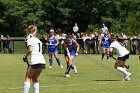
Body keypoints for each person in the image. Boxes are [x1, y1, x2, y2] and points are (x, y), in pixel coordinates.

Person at [23, 25, 46, 93]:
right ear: (35, 31)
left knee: (27, 77)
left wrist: (25, 56)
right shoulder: (38, 40)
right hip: (42, 61)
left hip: (35, 61)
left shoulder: (30, 39)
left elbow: (30, 50)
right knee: (34, 78)